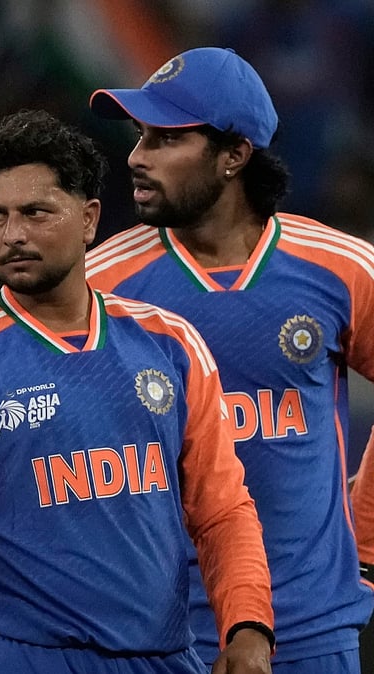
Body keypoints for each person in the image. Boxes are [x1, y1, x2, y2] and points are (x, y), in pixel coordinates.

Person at [0, 109, 274, 674]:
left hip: (164, 657)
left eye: (35, 212)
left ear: (88, 220)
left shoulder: (171, 342)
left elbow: (223, 509)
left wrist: (248, 627)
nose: (12, 234)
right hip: (18, 657)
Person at [85, 46, 374, 673]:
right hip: (152, 638)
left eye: (166, 139)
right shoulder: (98, 286)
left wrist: (367, 536)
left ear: (234, 155)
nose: (136, 157)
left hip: (310, 631)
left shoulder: (339, 268)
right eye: (140, 136)